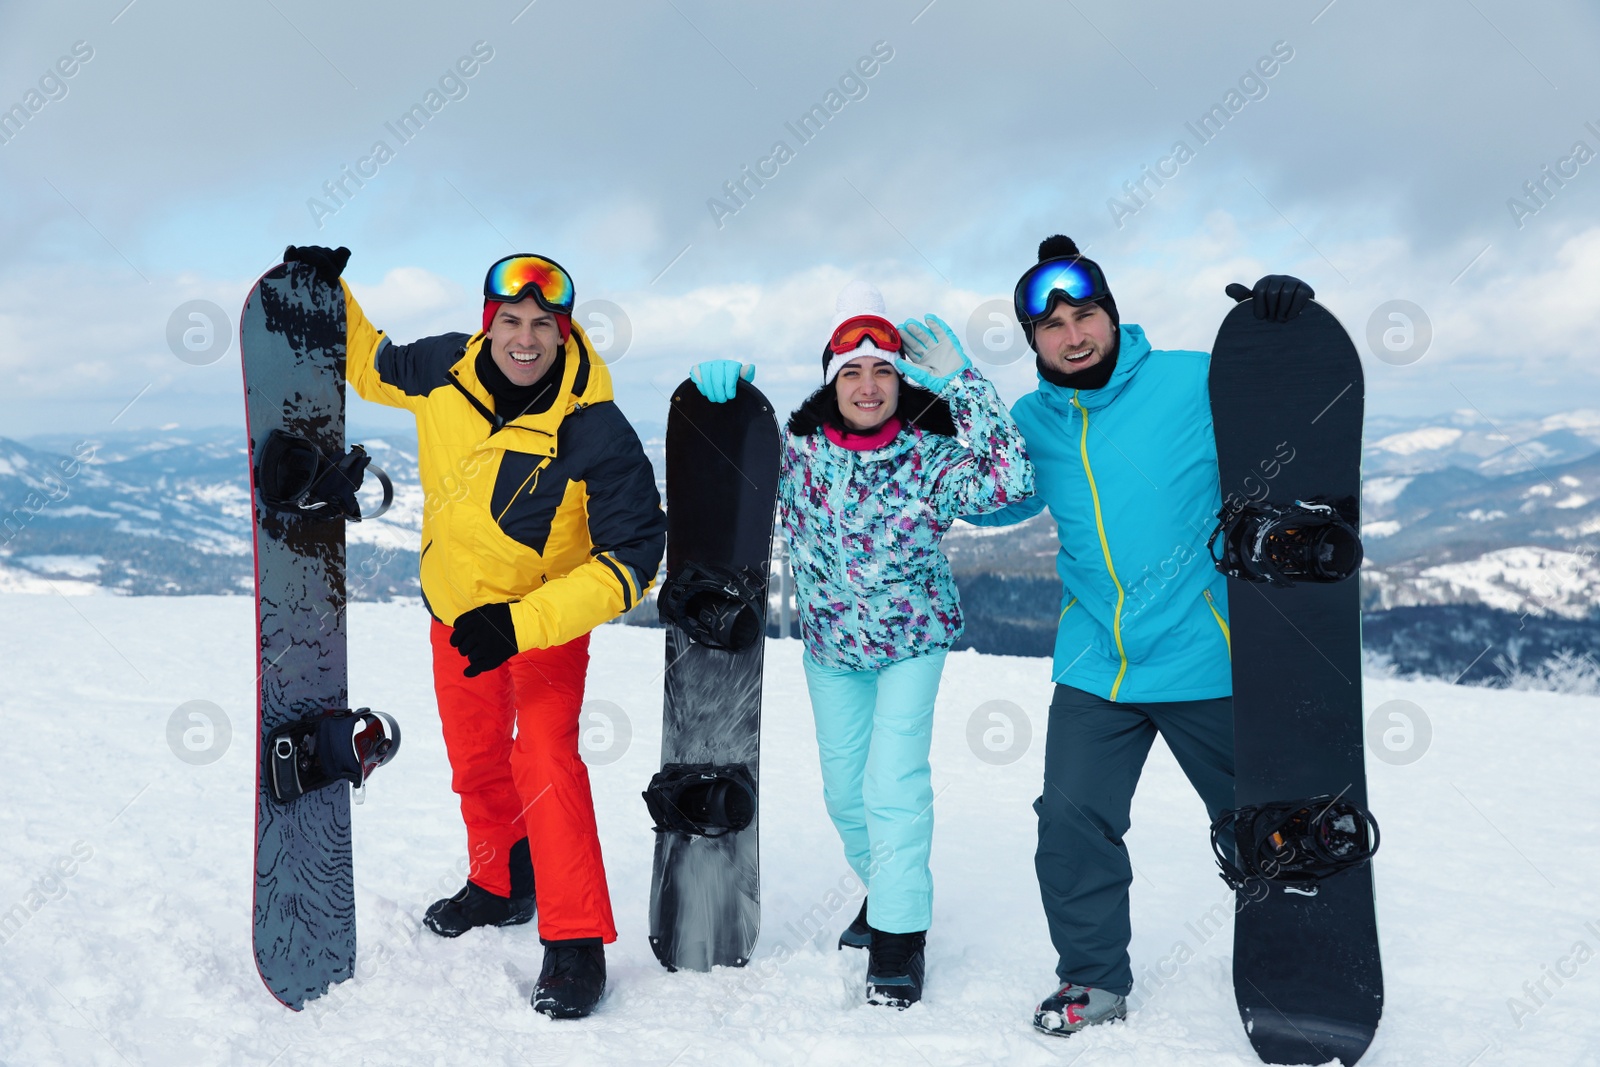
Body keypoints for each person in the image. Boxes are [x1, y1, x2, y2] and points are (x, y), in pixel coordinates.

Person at [279, 245, 666, 1020]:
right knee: (477, 759)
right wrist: (329, 291)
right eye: (512, 322)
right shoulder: (443, 369)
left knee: (545, 760)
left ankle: (576, 940)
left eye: (543, 325)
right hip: (455, 612)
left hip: (543, 624)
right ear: (489, 326)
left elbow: (633, 561)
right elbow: (370, 363)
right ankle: (499, 883)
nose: (526, 339)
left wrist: (520, 622)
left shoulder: (595, 426)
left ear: (564, 333)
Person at [965, 236, 1316, 1036]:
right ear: (1033, 343)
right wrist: (944, 414)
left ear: (1113, 317)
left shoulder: (1192, 379)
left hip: (1206, 651)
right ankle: (1092, 979)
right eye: (1052, 327)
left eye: (1086, 315)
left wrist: (1281, 330)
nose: (1074, 334)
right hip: (1099, 661)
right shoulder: (1032, 421)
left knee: (1261, 820)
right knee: (1070, 819)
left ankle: (1303, 963)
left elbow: (1288, 417)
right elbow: (989, 504)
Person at [691, 281, 1034, 1008]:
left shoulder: (930, 457)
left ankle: (901, 935)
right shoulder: (799, 457)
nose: (869, 384)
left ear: (901, 382)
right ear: (831, 383)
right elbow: (721, 479)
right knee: (846, 796)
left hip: (914, 642)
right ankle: (889, 890)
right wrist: (720, 407)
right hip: (831, 650)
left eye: (884, 370)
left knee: (893, 786)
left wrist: (963, 382)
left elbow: (1012, 477)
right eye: (852, 371)